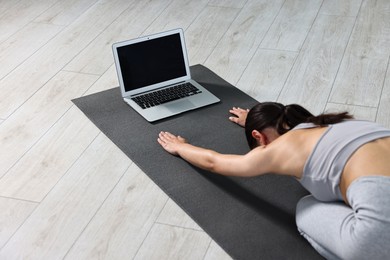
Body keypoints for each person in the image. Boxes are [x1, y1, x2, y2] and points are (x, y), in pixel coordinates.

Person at [157, 102, 390, 260]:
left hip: (380, 233)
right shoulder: (336, 122)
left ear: (259, 137)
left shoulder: (278, 149)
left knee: (305, 207)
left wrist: (181, 147)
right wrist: (254, 121)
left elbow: (214, 162)